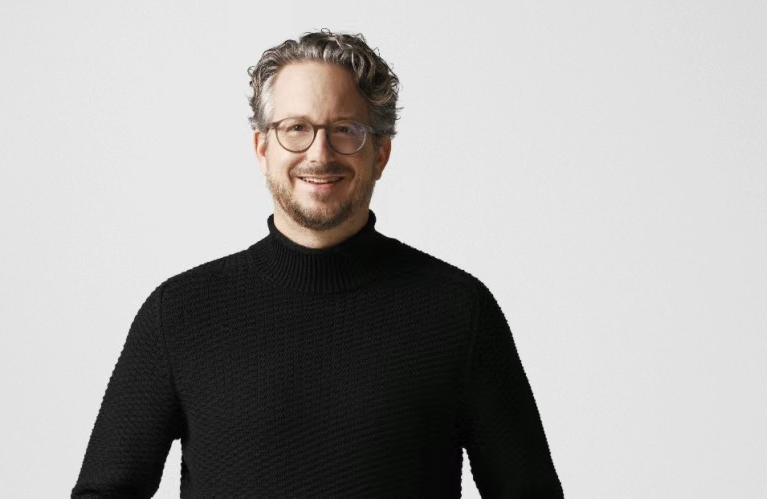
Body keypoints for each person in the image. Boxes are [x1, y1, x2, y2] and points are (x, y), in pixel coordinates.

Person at [72, 29, 564, 498]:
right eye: (296, 129)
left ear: (381, 153)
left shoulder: (457, 310)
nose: (319, 153)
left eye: (345, 130)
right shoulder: (181, 313)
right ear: (262, 148)